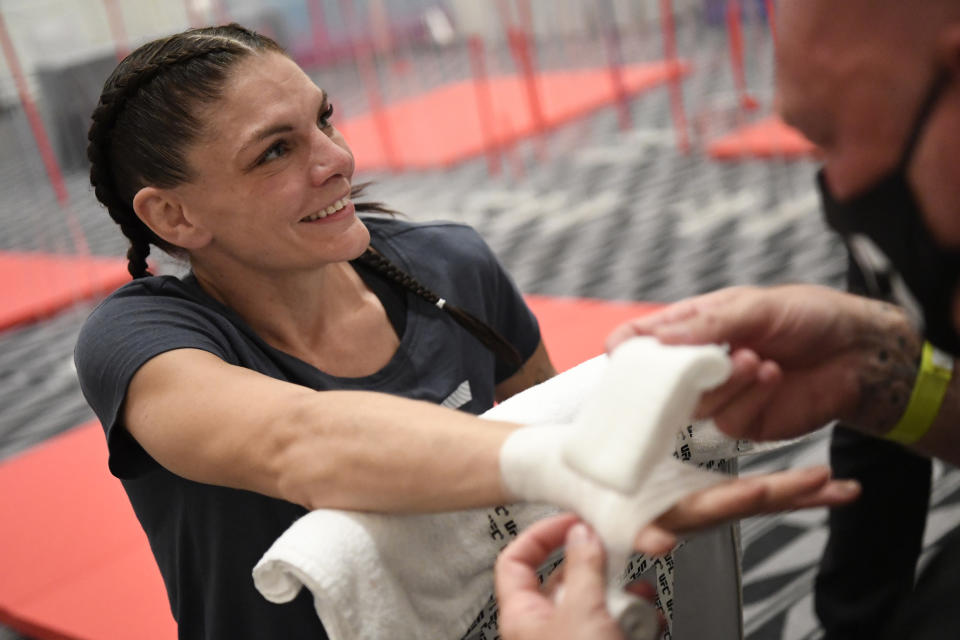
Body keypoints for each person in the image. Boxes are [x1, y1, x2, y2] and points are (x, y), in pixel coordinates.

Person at [75, 23, 859, 640]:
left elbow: (546, 436)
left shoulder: (448, 264)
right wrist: (578, 462)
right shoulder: (137, 338)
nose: (338, 159)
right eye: (276, 151)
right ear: (174, 215)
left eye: (323, 120)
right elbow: (300, 442)